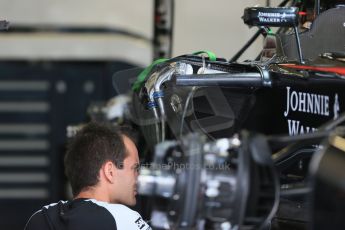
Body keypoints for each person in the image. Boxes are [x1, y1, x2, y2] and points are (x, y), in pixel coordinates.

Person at [24, 122, 151, 230]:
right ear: (110, 172)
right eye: (135, 168)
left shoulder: (39, 218)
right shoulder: (122, 219)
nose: (138, 177)